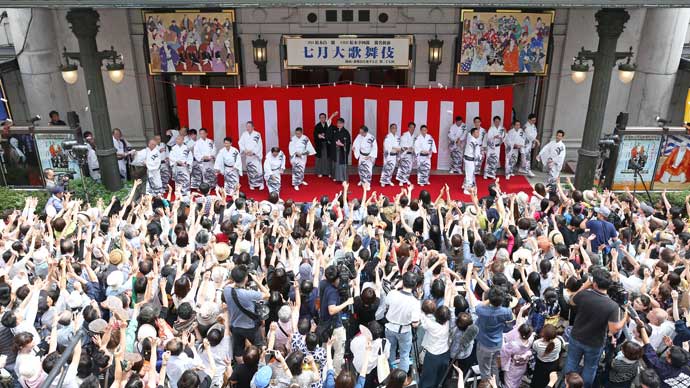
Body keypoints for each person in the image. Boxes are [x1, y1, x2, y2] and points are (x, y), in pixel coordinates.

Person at [564, 267, 628, 388]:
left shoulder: (584, 295)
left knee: (572, 362)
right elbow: (614, 329)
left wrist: (585, 285)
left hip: (577, 336)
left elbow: (571, 301)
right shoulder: (612, 306)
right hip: (595, 342)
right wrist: (625, 316)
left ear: (594, 283)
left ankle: (568, 384)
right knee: (590, 367)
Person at [376, 272, 421, 385]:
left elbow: (386, 304)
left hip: (389, 328)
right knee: (404, 354)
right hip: (404, 330)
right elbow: (415, 324)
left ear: (402, 282)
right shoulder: (415, 302)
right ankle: (403, 380)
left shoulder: (392, 294)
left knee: (390, 351)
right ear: (415, 285)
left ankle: (392, 373)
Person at [224, 266, 270, 363]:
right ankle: (261, 363)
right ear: (246, 278)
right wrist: (257, 281)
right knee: (260, 346)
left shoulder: (226, 290)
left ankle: (241, 367)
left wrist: (233, 280)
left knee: (238, 351)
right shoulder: (248, 294)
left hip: (235, 326)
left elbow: (228, 285)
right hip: (250, 327)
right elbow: (267, 294)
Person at [475, 286, 514, 384]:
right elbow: (510, 316)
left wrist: (490, 300)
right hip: (497, 344)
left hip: (485, 345)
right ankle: (495, 384)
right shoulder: (506, 312)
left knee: (485, 370)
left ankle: (487, 385)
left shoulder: (482, 311)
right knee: (494, 366)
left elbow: (478, 306)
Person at [319, 265, 354, 374]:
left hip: (325, 324)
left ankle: (323, 370)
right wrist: (347, 303)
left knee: (326, 349)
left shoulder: (324, 284)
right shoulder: (332, 292)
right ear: (336, 278)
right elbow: (332, 310)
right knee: (339, 351)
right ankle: (335, 374)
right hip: (334, 325)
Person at [239, 121, 264, 190]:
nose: (248, 128)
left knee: (258, 170)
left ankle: (260, 183)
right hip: (248, 155)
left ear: (253, 127)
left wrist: (253, 152)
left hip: (255, 156)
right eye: (247, 126)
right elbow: (240, 143)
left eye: (249, 126)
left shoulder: (257, 134)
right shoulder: (244, 134)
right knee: (250, 170)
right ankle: (251, 183)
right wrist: (245, 150)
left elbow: (259, 145)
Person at [169, 134, 193, 201]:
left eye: (179, 139)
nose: (177, 140)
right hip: (177, 167)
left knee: (186, 180)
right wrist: (177, 161)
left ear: (183, 140)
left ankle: (187, 194)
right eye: (176, 139)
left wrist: (187, 163)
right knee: (178, 181)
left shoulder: (186, 148)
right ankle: (178, 194)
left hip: (185, 167)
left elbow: (190, 158)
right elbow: (171, 157)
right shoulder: (173, 148)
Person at [314, 112, 337, 178]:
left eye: (323, 117)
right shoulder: (317, 126)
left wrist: (333, 115)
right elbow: (315, 134)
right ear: (319, 118)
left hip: (328, 145)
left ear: (325, 118)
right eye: (321, 117)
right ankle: (320, 172)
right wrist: (319, 135)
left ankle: (329, 172)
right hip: (320, 145)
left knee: (328, 159)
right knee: (320, 159)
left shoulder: (328, 124)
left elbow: (330, 120)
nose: (322, 119)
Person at [483, 116, 505, 180]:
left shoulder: (501, 129)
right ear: (494, 122)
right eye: (496, 121)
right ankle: (486, 174)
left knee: (495, 160)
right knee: (489, 159)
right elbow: (489, 138)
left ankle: (492, 174)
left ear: (500, 122)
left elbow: (503, 137)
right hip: (491, 146)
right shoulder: (491, 128)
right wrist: (494, 137)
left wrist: (501, 140)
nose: (497, 123)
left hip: (498, 146)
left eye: (498, 121)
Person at [330, 118, 351, 183]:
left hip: (342, 151)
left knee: (342, 165)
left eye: (340, 123)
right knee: (335, 164)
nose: (338, 124)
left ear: (343, 124)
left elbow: (348, 142)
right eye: (338, 123)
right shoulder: (335, 131)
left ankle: (343, 178)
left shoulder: (346, 132)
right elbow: (332, 139)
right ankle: (336, 177)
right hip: (335, 150)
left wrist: (342, 144)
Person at [463, 127, 482, 195]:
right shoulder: (473, 141)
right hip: (470, 159)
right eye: (476, 132)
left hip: (468, 159)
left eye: (478, 132)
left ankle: (465, 186)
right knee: (469, 175)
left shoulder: (471, 139)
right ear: (473, 134)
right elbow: (476, 153)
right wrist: (479, 157)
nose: (478, 133)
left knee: (469, 174)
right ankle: (467, 189)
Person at [396, 122, 416, 186]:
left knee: (409, 168)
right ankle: (401, 180)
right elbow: (402, 145)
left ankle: (406, 179)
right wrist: (408, 147)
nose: (412, 129)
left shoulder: (415, 136)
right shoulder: (404, 135)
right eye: (411, 127)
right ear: (408, 128)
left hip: (411, 154)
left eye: (413, 128)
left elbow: (416, 145)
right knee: (403, 167)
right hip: (405, 153)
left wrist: (414, 148)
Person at [521, 113, 539, 177]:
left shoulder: (533, 125)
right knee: (527, 157)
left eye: (535, 120)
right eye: (533, 120)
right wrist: (535, 140)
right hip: (524, 144)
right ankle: (528, 170)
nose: (534, 122)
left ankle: (522, 168)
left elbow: (535, 133)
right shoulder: (526, 126)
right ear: (529, 120)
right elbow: (529, 135)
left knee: (525, 157)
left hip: (530, 143)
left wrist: (533, 142)